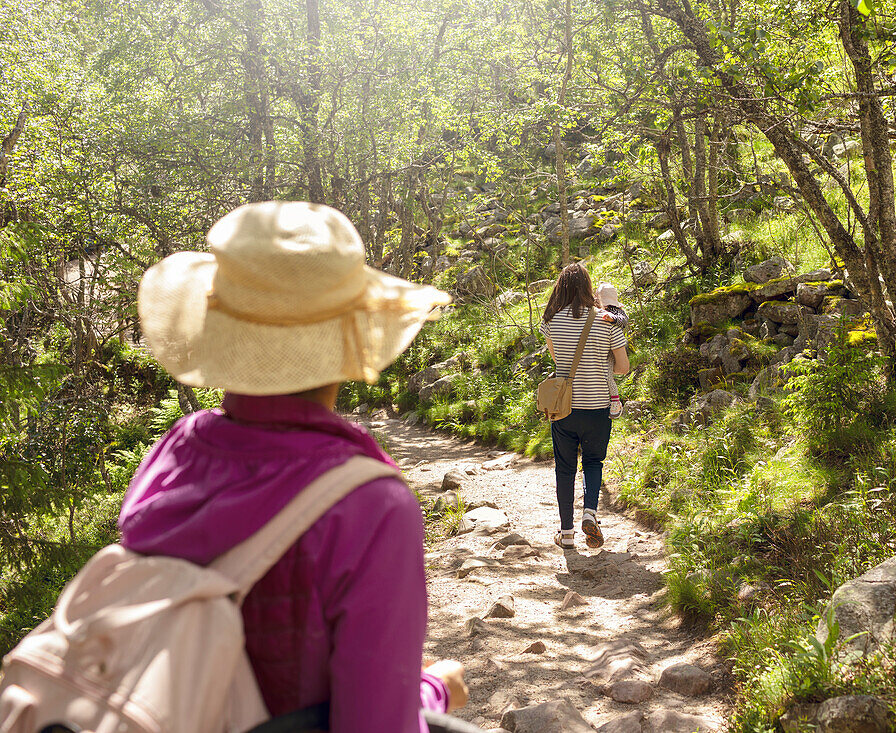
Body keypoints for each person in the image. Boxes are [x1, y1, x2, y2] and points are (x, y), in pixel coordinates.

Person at [118, 201, 466, 732]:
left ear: (221, 326)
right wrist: (435, 689)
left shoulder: (174, 453)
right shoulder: (371, 506)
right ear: (351, 332)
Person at [539, 263, 629, 550]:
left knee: (564, 469)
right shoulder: (606, 320)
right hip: (597, 407)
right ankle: (590, 513)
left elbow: (558, 361)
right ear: (588, 287)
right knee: (593, 462)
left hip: (563, 408)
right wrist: (603, 361)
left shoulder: (551, 320)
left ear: (561, 287)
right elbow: (624, 368)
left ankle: (566, 534)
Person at [595, 283, 629, 419]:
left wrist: (612, 318)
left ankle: (615, 400)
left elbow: (623, 320)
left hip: (614, 348)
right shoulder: (598, 311)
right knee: (605, 374)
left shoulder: (616, 311)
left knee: (608, 376)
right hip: (604, 347)